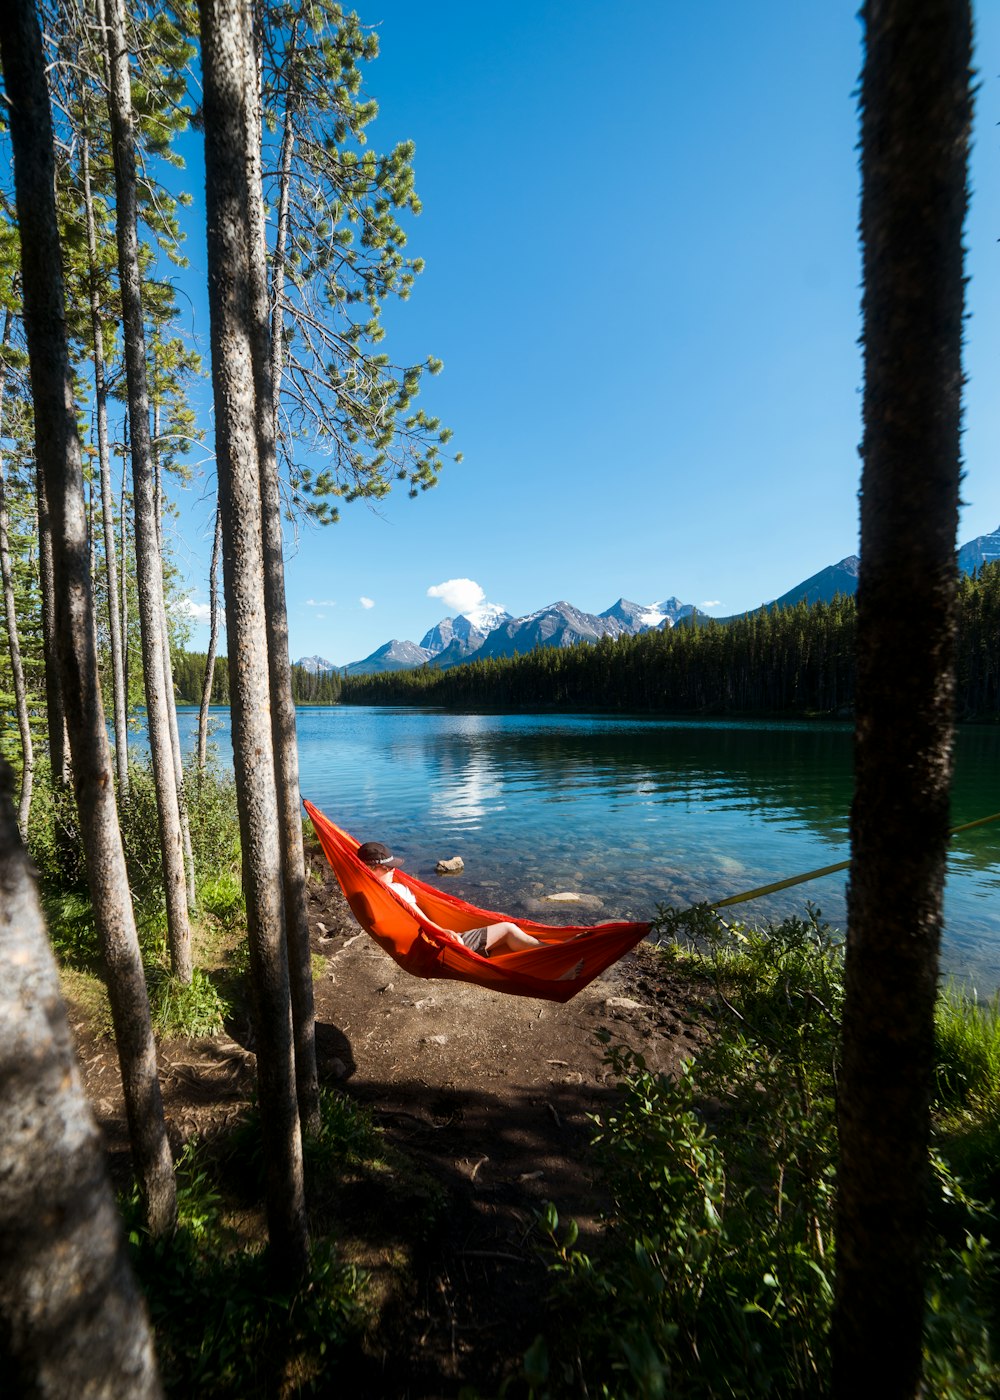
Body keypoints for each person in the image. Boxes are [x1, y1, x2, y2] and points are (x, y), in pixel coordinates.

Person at [356, 839, 580, 973]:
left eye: (393, 866)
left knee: (503, 947)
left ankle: (555, 951)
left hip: (428, 945)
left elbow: (412, 920)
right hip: (436, 947)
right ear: (370, 869)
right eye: (388, 868)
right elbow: (418, 919)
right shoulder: (393, 892)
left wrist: (440, 928)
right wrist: (442, 932)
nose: (394, 870)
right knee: (508, 929)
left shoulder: (367, 893)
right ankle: (558, 955)